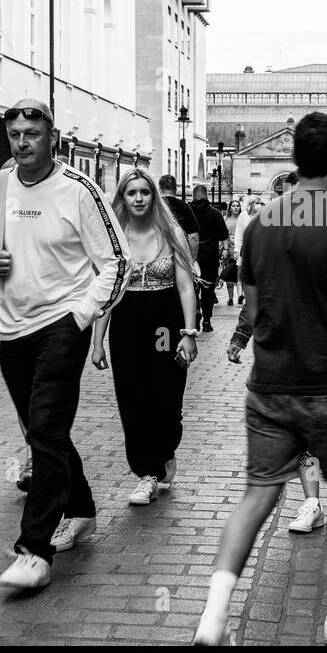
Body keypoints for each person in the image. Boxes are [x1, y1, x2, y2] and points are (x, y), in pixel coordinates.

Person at [194, 112, 327, 646]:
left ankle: (212, 616)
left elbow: (256, 312)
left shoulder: (260, 222)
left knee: (257, 495)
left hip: (270, 386)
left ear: (294, 158)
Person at [0, 98, 129, 590]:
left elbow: (116, 261)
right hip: (11, 326)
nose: (22, 142)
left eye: (32, 134)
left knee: (45, 427)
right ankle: (82, 507)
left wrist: (81, 317)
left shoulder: (78, 190)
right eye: (15, 134)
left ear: (52, 138)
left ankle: (34, 551)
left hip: (61, 324)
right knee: (42, 432)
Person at [93, 170, 198, 505]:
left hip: (164, 325)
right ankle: (146, 473)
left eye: (144, 192)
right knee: (132, 398)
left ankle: (165, 449)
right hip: (127, 323)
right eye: (131, 193)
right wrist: (97, 340)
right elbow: (107, 292)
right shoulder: (115, 240)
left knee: (166, 393)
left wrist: (189, 333)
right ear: (122, 199)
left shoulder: (170, 233)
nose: (138, 199)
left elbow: (185, 286)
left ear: (154, 196)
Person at [189, 184, 229, 332]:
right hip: (209, 259)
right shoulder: (215, 213)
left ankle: (195, 316)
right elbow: (223, 235)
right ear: (206, 195)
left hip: (191, 258)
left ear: (193, 196)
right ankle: (207, 320)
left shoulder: (187, 211)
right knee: (208, 291)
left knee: (191, 290)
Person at [158, 174, 200, 259]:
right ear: (175, 189)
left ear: (159, 189)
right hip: (180, 256)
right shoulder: (185, 207)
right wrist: (191, 259)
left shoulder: (154, 206)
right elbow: (193, 237)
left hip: (158, 255)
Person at [221, 199, 243, 305]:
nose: (235, 207)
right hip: (229, 250)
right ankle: (230, 298)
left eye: (237, 206)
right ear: (230, 208)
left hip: (240, 250)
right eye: (233, 206)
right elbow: (223, 235)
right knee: (229, 274)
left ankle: (240, 295)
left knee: (240, 274)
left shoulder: (242, 218)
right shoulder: (225, 219)